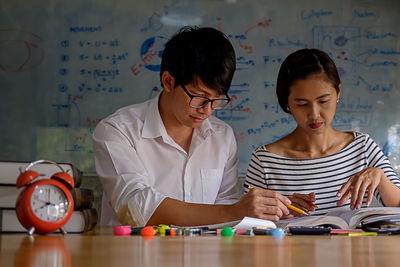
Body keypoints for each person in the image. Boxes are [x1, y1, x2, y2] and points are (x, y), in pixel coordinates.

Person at [93, 26, 292, 227]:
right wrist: (233, 211)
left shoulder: (222, 136)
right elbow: (136, 207)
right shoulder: (117, 130)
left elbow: (227, 205)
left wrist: (256, 211)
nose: (207, 110)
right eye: (200, 97)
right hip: (134, 256)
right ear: (168, 81)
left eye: (217, 100)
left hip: (204, 255)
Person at [244, 48, 400, 216]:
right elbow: (246, 224)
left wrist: (381, 177)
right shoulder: (264, 160)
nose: (314, 114)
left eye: (323, 101)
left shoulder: (362, 147)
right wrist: (277, 210)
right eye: (302, 104)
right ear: (287, 102)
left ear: (338, 92)